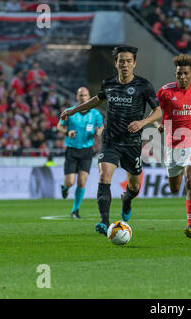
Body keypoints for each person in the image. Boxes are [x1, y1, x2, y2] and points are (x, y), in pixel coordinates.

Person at [60, 45, 162, 235]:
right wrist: (74, 110)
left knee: (134, 187)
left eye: (129, 61)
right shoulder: (109, 84)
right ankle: (104, 222)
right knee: (104, 175)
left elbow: (158, 111)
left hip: (132, 143)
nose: (125, 64)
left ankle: (127, 200)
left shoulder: (143, 85)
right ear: (116, 63)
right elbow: (97, 100)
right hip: (111, 141)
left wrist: (142, 123)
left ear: (134, 63)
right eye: (121, 61)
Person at [154, 54, 191, 238]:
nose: (182, 77)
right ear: (175, 74)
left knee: (190, 178)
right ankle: (176, 185)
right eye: (179, 74)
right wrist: (157, 125)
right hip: (172, 145)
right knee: (175, 188)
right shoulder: (165, 92)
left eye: (185, 73)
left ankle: (190, 225)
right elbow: (154, 114)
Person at [57, 87, 104, 219]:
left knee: (82, 182)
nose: (83, 97)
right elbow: (59, 126)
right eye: (80, 95)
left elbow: (101, 126)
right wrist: (67, 132)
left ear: (89, 97)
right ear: (77, 97)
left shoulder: (95, 114)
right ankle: (64, 187)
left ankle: (75, 210)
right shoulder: (70, 112)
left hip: (86, 151)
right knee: (70, 182)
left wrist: (100, 131)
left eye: (85, 95)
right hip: (72, 150)